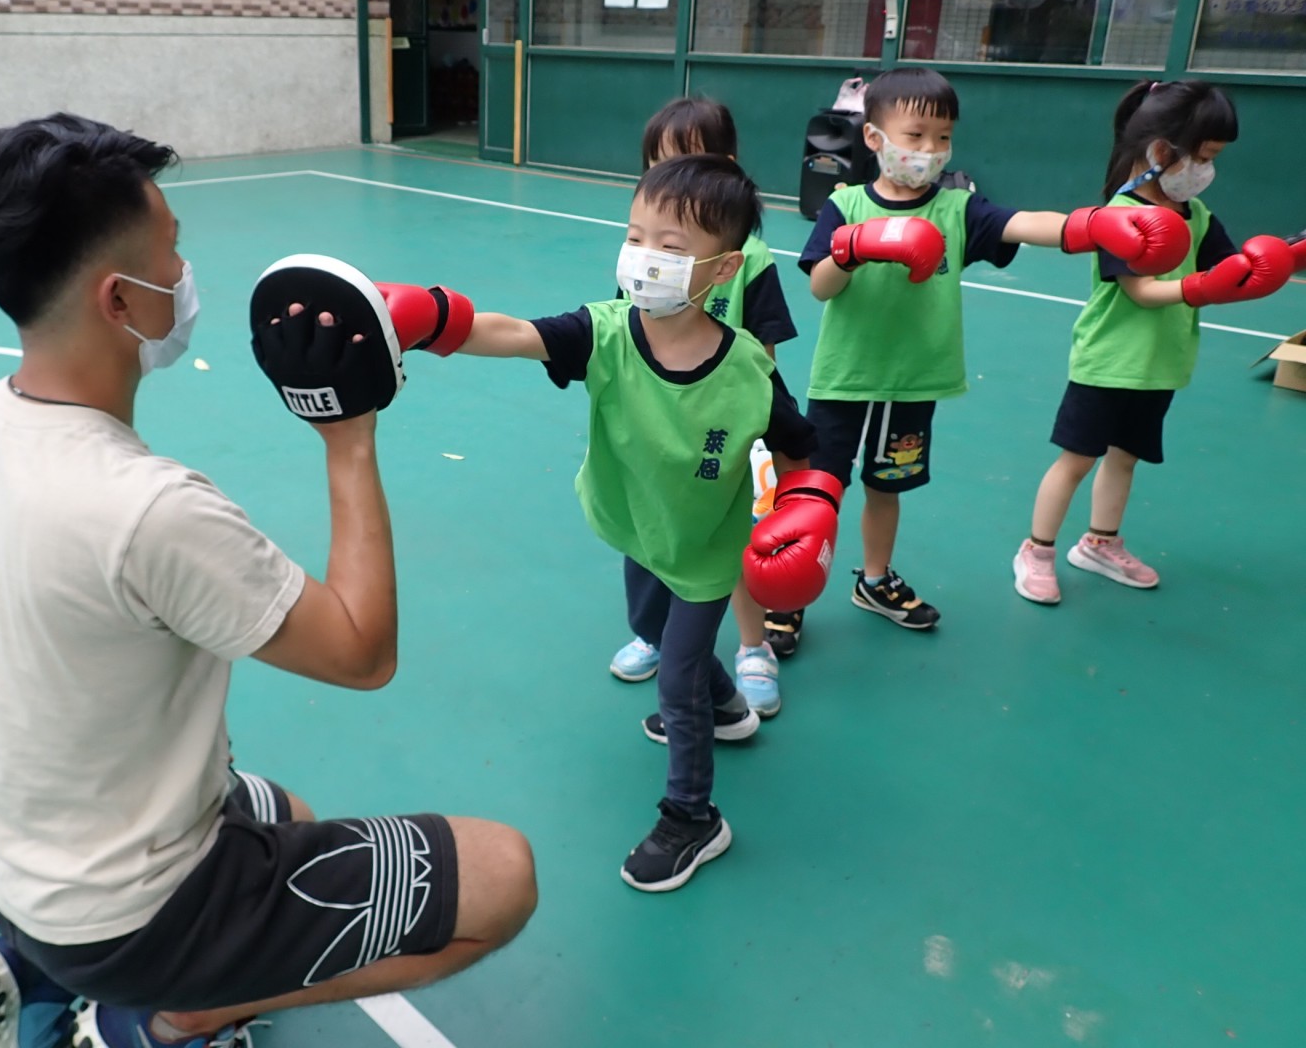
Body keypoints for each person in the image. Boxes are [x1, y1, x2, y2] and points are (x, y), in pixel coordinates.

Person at [0, 113, 536, 1048]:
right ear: (120, 300)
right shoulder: (151, 510)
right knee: (504, 877)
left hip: (14, 875)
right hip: (143, 916)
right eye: (172, 251)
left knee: (289, 815)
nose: (185, 273)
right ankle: (182, 1013)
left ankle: (38, 969)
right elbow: (362, 654)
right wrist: (348, 435)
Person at [419, 153, 839, 892]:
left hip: (704, 549)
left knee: (674, 681)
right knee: (648, 625)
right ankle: (728, 707)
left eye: (671, 246)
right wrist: (428, 321)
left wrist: (808, 508)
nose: (645, 257)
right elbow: (514, 333)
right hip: (636, 527)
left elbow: (798, 445)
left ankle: (693, 818)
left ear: (722, 270)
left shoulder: (746, 370)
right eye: (636, 236)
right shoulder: (605, 331)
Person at [800, 66, 1191, 631]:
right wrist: (852, 249)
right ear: (874, 138)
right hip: (844, 378)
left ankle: (875, 580)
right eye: (915, 135)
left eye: (943, 136)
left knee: (886, 489)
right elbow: (820, 287)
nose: (930, 150)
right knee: (818, 492)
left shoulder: (957, 210)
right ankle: (790, 597)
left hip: (912, 383)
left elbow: (1024, 224)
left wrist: (1095, 226)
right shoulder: (847, 207)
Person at [1013, 81, 1297, 603]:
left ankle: (1100, 543)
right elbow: (1140, 291)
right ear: (1162, 150)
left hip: (1160, 364)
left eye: (1215, 159)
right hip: (1108, 362)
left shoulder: (1198, 214)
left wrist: (1283, 260)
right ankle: (1037, 551)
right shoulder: (1122, 218)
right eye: (1203, 156)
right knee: (1077, 460)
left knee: (1125, 457)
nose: (1207, 169)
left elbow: (1229, 269)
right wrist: (1198, 288)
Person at [607, 99, 820, 721]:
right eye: (657, 166)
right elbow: (621, 333)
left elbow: (766, 354)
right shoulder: (644, 256)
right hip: (662, 425)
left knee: (732, 540)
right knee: (652, 529)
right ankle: (654, 633)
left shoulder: (747, 257)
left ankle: (754, 646)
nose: (670, 179)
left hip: (729, 424)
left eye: (688, 161)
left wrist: (761, 432)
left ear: (726, 167)